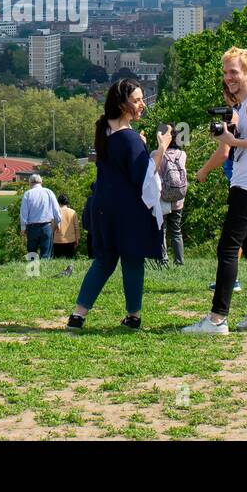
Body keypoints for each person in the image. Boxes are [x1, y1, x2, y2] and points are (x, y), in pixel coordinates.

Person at [183, 47, 247, 334]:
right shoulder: (243, 104)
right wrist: (229, 135)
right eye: (226, 73)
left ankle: (217, 318)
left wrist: (235, 142)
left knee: (228, 247)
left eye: (234, 72)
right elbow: (245, 140)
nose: (228, 78)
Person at [68, 79, 166, 331]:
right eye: (137, 100)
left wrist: (141, 146)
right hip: (127, 210)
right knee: (132, 260)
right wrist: (160, 150)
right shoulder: (130, 139)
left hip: (103, 206)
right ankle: (133, 316)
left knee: (104, 261)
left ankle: (78, 315)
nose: (142, 104)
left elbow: (119, 161)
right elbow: (143, 177)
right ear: (123, 104)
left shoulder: (105, 130)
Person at [157, 128, 188, 267]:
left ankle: (163, 261)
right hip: (178, 198)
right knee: (176, 230)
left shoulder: (157, 154)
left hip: (162, 197)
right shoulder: (182, 154)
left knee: (161, 230)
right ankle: (180, 262)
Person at [20, 173, 62, 260]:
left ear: (30, 183)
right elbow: (56, 209)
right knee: (46, 253)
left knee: (32, 254)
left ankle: (33, 272)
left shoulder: (28, 194)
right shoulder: (49, 192)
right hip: (46, 226)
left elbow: (24, 212)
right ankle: (45, 272)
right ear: (41, 182)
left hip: (32, 228)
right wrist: (58, 222)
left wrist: (23, 228)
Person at [52, 194, 79, 264]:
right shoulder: (73, 212)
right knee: (69, 262)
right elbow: (76, 228)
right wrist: (77, 239)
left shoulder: (55, 212)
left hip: (58, 240)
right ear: (67, 202)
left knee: (57, 263)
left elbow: (52, 227)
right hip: (71, 240)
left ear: (58, 202)